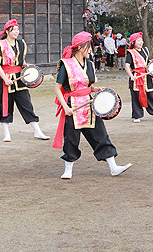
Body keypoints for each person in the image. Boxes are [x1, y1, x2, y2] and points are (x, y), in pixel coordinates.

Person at [53, 31, 131, 179]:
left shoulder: (89, 64)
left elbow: (87, 84)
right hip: (72, 105)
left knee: (100, 134)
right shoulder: (66, 64)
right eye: (89, 47)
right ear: (81, 47)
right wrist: (65, 107)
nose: (91, 50)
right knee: (71, 138)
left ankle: (113, 167)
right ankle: (68, 170)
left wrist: (94, 89)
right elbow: (57, 88)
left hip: (89, 104)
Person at [0, 19, 48, 142]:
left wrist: (26, 66)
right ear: (7, 31)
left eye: (18, 29)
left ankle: (38, 131)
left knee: (26, 104)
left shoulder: (21, 43)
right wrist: (5, 79)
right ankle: (7, 134)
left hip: (19, 79)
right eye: (14, 29)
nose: (17, 32)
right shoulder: (1, 45)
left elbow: (20, 61)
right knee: (6, 106)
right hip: (5, 80)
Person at [126, 32, 153, 123]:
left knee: (151, 95)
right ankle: (137, 116)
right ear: (133, 42)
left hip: (146, 77)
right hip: (137, 78)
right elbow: (127, 66)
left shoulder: (145, 50)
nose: (141, 42)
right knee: (136, 97)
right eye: (138, 40)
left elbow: (147, 62)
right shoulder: (130, 53)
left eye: (141, 40)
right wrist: (131, 76)